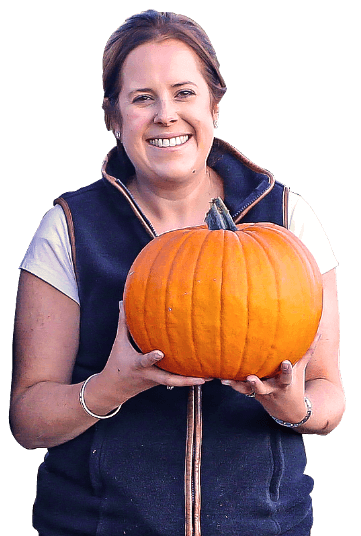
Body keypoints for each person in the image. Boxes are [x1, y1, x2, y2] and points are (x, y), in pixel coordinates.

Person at [10, 10, 345, 536]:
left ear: (214, 104)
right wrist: (109, 387)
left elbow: (330, 401)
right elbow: (27, 421)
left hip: (265, 527)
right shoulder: (71, 228)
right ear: (114, 117)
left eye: (184, 93)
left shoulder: (287, 218)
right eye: (142, 98)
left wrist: (291, 405)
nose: (166, 115)